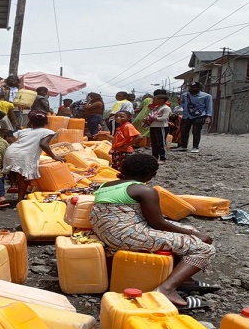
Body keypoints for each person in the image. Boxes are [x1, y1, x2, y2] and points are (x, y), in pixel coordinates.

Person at [90, 154, 216, 310]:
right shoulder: (144, 190)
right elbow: (157, 223)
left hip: (109, 232)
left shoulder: (107, 185)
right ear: (150, 174)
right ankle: (166, 289)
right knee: (203, 248)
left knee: (188, 231)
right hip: (126, 235)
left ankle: (185, 279)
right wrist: (194, 235)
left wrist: (189, 232)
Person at [2, 110, 64, 201]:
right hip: (25, 155)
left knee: (12, 168)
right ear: (47, 123)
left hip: (11, 151)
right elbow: (43, 144)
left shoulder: (24, 131)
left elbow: (19, 137)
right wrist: (54, 156)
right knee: (23, 179)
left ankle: (13, 184)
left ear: (30, 122)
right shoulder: (47, 132)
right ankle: (20, 200)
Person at [174, 82, 213, 153]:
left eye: (193, 87)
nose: (191, 89)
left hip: (199, 116)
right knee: (184, 131)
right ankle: (183, 146)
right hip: (186, 115)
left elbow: (209, 107)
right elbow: (182, 105)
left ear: (199, 88)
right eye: (190, 87)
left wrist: (208, 117)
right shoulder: (184, 95)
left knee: (196, 131)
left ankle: (195, 147)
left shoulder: (207, 96)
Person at [145, 94, 171, 164]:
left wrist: (153, 118)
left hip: (161, 127)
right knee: (154, 143)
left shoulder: (166, 108)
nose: (153, 101)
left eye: (155, 99)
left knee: (161, 143)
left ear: (161, 100)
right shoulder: (156, 108)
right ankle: (154, 157)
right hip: (153, 126)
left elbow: (164, 118)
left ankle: (163, 158)